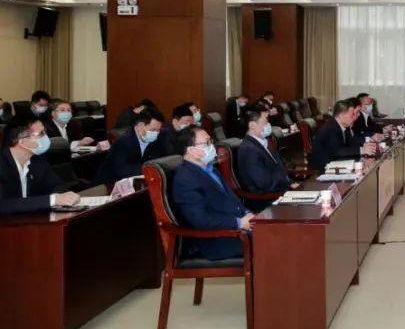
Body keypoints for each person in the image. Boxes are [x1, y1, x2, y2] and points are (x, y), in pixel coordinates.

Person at [171, 127, 253, 260]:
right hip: (216, 240)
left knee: (278, 233)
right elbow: (200, 219)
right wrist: (238, 222)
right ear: (191, 150)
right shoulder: (185, 178)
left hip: (235, 231)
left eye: (211, 141)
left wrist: (247, 214)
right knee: (274, 241)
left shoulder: (209, 169)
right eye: (207, 143)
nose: (212, 146)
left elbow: (230, 200)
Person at [0, 120, 80, 214]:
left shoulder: (38, 160)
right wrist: (52, 200)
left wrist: (66, 196)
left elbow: (57, 185)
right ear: (23, 142)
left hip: (30, 218)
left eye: (45, 131)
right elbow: (3, 204)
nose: (46, 136)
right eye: (41, 133)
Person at [95, 107, 166, 184]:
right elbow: (121, 169)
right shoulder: (124, 141)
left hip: (135, 182)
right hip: (108, 184)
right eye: (153, 130)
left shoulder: (155, 139)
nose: (156, 133)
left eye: (158, 130)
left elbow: (157, 160)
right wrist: (147, 168)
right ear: (140, 126)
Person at [236, 107, 298, 195]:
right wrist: (288, 185)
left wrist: (291, 183)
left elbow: (279, 168)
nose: (268, 125)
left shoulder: (265, 142)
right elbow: (264, 183)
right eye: (265, 122)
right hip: (269, 197)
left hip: (283, 189)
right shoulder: (249, 150)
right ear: (252, 125)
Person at [309, 100, 375, 172]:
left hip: (337, 163)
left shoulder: (344, 126)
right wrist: (362, 150)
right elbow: (337, 151)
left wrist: (364, 147)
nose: (354, 117)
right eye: (352, 114)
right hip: (324, 169)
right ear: (341, 115)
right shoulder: (330, 128)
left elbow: (351, 144)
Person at [44, 99, 109, 153]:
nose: (66, 113)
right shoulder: (46, 128)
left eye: (69, 110)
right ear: (53, 113)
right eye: (62, 110)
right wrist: (78, 143)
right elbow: (55, 148)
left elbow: (77, 147)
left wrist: (94, 148)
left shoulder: (73, 125)